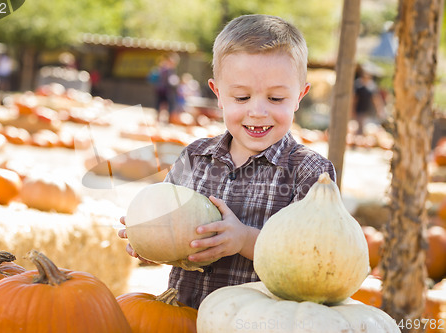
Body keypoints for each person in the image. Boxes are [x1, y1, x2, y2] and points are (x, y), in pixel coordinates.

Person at [118, 14, 335, 309]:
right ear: (218, 94)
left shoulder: (311, 174)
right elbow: (169, 232)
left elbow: (315, 260)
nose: (257, 111)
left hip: (261, 323)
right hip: (184, 317)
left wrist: (244, 240)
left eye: (275, 99)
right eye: (242, 97)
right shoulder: (194, 157)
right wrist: (149, 240)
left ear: (300, 96)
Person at [352, 70, 386, 135]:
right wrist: (352, 110)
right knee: (360, 128)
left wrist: (379, 110)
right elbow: (354, 99)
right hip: (360, 110)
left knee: (368, 129)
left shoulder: (372, 86)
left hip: (369, 111)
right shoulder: (358, 85)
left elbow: (376, 98)